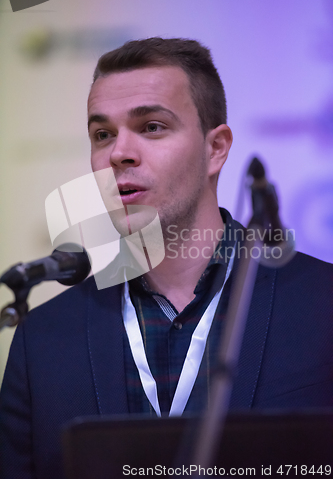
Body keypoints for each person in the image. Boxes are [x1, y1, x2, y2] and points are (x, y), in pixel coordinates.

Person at [0, 38, 332, 479]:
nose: (119, 153)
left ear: (216, 149)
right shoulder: (41, 342)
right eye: (102, 135)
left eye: (152, 126)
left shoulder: (322, 304)